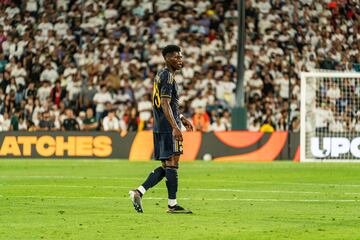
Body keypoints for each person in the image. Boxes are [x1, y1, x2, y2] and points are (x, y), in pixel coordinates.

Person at [129, 45, 194, 214]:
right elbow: (164, 103)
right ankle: (172, 205)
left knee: (167, 166)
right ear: (166, 59)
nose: (180, 60)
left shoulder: (161, 75)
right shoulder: (168, 77)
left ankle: (139, 192)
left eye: (180, 57)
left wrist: (181, 118)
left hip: (161, 125)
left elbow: (167, 104)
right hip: (167, 127)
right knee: (172, 164)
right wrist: (175, 127)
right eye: (175, 57)